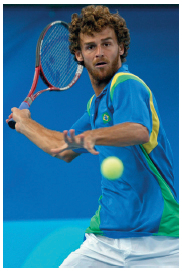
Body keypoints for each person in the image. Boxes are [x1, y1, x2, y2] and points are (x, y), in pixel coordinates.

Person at [6, 5, 179, 268]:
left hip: (160, 243)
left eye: (107, 44)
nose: (99, 53)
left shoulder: (127, 84)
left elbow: (137, 130)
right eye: (90, 47)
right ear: (78, 55)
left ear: (120, 48)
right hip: (105, 242)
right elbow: (62, 149)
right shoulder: (95, 106)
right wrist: (25, 124)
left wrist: (94, 136)